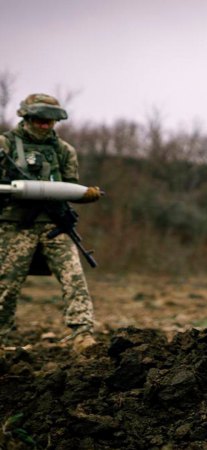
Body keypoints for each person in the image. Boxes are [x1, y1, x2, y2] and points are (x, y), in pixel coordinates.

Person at [0, 93, 102, 354]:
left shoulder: (64, 151)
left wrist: (86, 195)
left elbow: (68, 188)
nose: (45, 125)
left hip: (53, 226)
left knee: (74, 278)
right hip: (14, 226)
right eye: (39, 120)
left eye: (50, 121)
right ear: (27, 117)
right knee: (6, 285)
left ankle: (82, 334)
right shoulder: (5, 145)